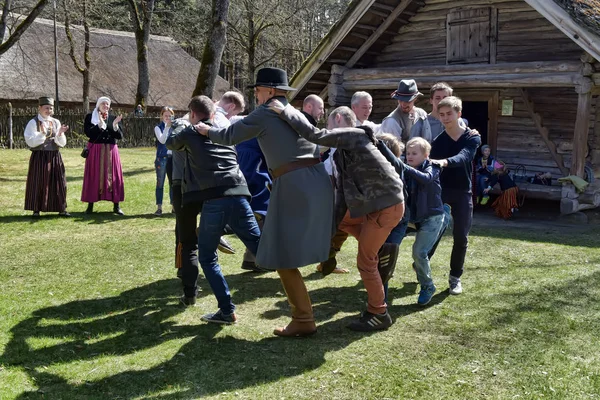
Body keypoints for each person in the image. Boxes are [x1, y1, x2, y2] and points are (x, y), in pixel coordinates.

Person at [195, 67, 333, 337]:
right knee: (288, 249)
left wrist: (205, 130)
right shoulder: (294, 113)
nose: (256, 95)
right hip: (316, 180)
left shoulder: (266, 111)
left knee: (281, 253)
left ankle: (304, 319)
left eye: (258, 90)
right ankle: (307, 315)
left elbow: (229, 136)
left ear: (269, 91)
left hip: (293, 183)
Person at [272, 104, 405, 332]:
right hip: (376, 206)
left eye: (330, 124)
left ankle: (378, 312)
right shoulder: (343, 154)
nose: (328, 129)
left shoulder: (355, 135)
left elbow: (316, 134)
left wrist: (285, 112)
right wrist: (328, 237)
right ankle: (381, 250)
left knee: (365, 262)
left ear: (340, 120)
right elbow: (342, 197)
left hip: (386, 205)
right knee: (345, 221)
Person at [166, 95, 261, 323]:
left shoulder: (191, 131)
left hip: (215, 197)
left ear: (192, 113)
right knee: (263, 248)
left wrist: (182, 125)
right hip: (239, 193)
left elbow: (171, 144)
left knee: (207, 257)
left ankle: (227, 311)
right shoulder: (221, 130)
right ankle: (299, 301)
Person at [378, 137, 449, 305]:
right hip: (411, 218)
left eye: (414, 153)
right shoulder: (406, 169)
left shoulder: (433, 168)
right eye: (408, 153)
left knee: (419, 253)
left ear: (426, 155)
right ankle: (381, 289)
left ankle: (428, 286)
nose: (409, 156)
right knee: (389, 246)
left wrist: (402, 166)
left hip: (432, 218)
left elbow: (425, 178)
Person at [430, 96, 481, 295]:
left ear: (459, 114)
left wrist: (444, 162)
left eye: (449, 114)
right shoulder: (438, 141)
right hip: (441, 192)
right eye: (441, 115)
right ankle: (422, 265)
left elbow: (465, 157)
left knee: (461, 237)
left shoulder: (472, 137)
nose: (445, 118)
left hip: (463, 193)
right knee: (433, 233)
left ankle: (455, 278)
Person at [23, 97, 70, 218]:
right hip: (40, 156)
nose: (48, 110)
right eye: (46, 108)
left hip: (54, 155)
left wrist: (60, 134)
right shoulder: (33, 122)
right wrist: (42, 134)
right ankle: (36, 209)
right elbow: (30, 141)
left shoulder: (55, 122)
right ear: (39, 108)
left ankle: (61, 208)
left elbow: (62, 142)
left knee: (59, 181)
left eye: (50, 108)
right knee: (38, 181)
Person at [81, 96, 125, 215]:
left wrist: (115, 125)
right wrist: (99, 125)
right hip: (96, 150)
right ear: (98, 105)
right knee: (94, 175)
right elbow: (88, 132)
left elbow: (120, 136)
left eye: (107, 104)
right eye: (103, 104)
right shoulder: (90, 117)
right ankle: (90, 205)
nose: (105, 106)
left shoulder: (113, 118)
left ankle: (116, 206)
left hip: (111, 150)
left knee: (113, 176)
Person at [380, 79, 431, 143]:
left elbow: (428, 140)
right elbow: (394, 150)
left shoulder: (422, 114)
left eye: (407, 100)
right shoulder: (392, 121)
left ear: (415, 98)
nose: (403, 104)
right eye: (400, 100)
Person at [153, 106, 174, 216]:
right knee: (160, 183)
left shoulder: (174, 127)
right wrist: (166, 128)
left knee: (173, 183)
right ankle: (159, 207)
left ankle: (173, 206)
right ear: (161, 116)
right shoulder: (158, 127)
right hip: (161, 158)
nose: (167, 118)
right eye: (165, 115)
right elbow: (162, 140)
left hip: (172, 157)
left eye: (170, 116)